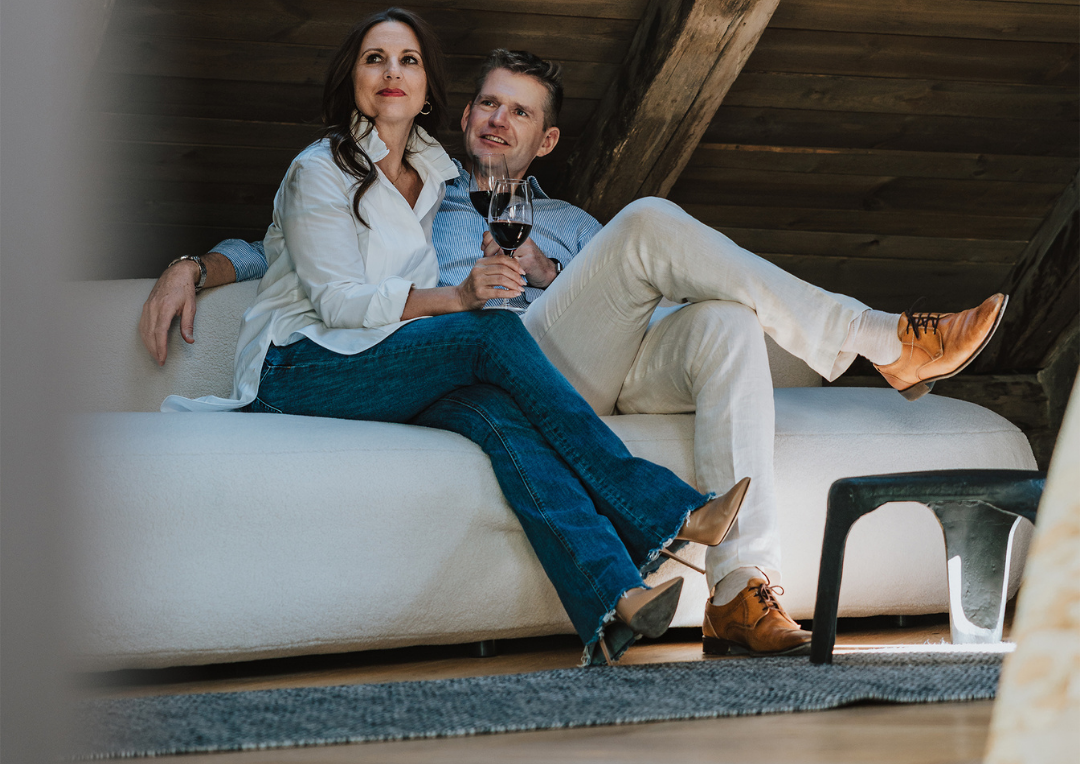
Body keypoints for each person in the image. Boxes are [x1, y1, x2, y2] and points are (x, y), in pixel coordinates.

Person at [142, 42, 1008, 658]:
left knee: (724, 321)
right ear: (465, 112)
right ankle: (882, 340)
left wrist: (563, 272)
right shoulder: (420, 192)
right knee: (651, 222)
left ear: (545, 140)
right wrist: (195, 265)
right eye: (487, 103)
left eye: (519, 112)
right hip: (496, 360)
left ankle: (743, 590)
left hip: (588, 360)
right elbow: (293, 251)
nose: (496, 121)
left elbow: (670, 299)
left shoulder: (572, 227)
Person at [158, 7, 754, 667]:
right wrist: (193, 266)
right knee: (484, 334)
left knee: (498, 416)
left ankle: (615, 598)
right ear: (352, 78)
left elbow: (277, 247)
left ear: (429, 89)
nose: (391, 73)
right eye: (374, 58)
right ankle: (665, 506)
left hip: (387, 360)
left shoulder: (433, 174)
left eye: (407, 60)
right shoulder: (319, 170)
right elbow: (325, 289)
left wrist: (529, 277)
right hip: (301, 365)